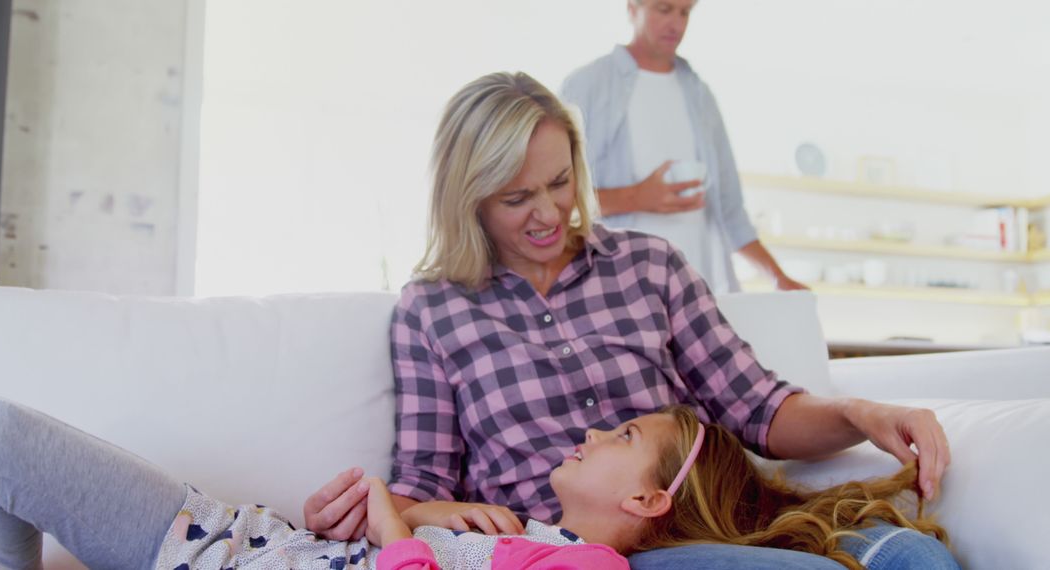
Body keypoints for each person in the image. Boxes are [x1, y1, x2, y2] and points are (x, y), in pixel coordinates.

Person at [302, 71, 952, 569]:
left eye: (560, 182)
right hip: (589, 555)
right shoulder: (433, 310)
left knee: (912, 556)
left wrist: (862, 414)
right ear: (467, 200)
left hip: (716, 516)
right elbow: (418, 488)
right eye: (516, 197)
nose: (549, 214)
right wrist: (419, 512)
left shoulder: (649, 266)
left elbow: (758, 408)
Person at [0, 398, 956, 569]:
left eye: (618, 435)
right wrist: (408, 513)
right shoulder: (532, 533)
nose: (588, 430)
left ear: (651, 500)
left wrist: (398, 521)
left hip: (211, 556)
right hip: (243, 536)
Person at [560, 0, 805, 294]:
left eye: (685, 12)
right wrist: (637, 197)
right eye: (664, 9)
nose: (676, 23)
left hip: (694, 293)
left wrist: (778, 277)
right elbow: (559, 199)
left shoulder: (700, 95)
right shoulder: (586, 86)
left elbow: (730, 210)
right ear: (632, 8)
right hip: (618, 292)